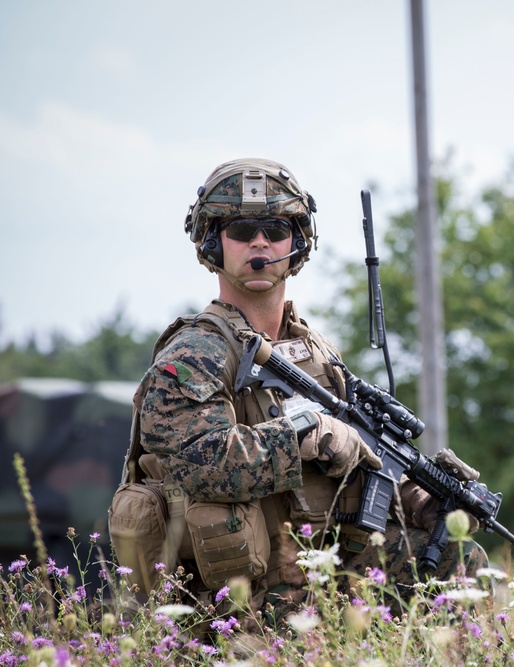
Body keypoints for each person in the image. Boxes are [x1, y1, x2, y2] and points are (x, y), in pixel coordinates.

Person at [111, 158, 487, 625]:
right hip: (238, 602)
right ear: (212, 241)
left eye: (275, 228)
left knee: (460, 564)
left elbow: (362, 449)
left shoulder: (313, 348)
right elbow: (198, 464)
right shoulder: (195, 353)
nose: (260, 243)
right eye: (242, 229)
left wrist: (422, 500)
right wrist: (303, 433)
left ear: (297, 242)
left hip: (321, 574)